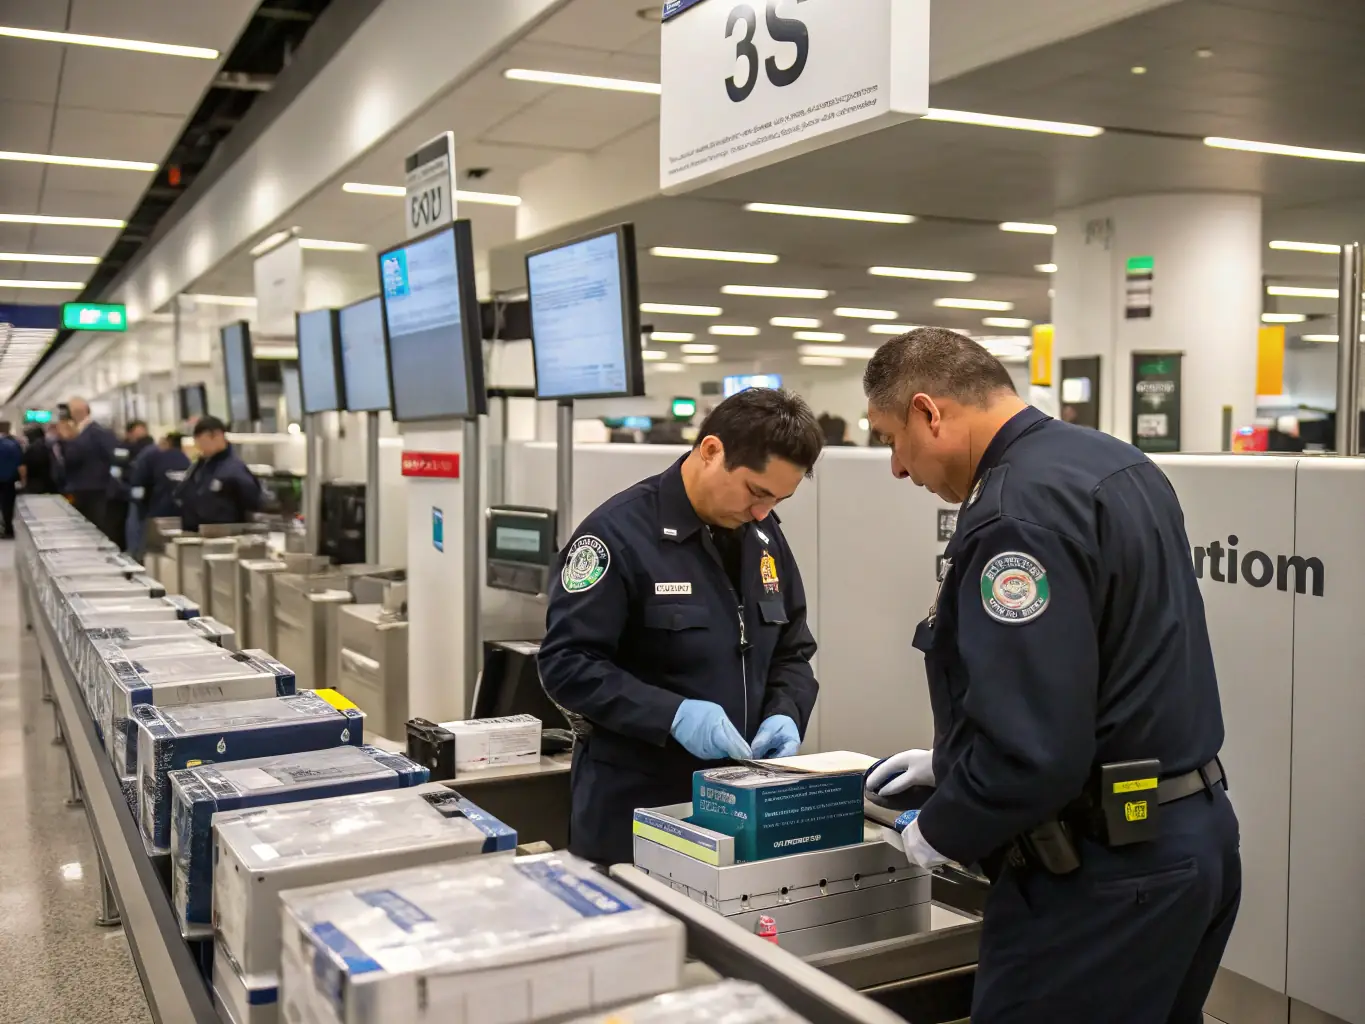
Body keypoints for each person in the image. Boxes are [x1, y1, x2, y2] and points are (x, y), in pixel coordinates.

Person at [860, 328, 1240, 1024]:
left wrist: (942, 827)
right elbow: (1100, 670)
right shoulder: (1111, 462)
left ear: (928, 412)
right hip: (1190, 839)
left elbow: (1034, 753)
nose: (895, 467)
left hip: (1100, 874)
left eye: (889, 438)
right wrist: (952, 758)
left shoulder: (1015, 515)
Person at [539, 388, 824, 865]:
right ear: (712, 451)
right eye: (757, 492)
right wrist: (672, 714)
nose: (763, 512)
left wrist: (787, 709)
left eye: (778, 500)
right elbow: (566, 664)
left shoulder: (763, 536)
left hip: (738, 805)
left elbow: (792, 649)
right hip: (635, 809)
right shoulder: (616, 536)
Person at [175, 416, 263, 531]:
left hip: (223, 538)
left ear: (217, 435)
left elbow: (253, 503)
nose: (199, 447)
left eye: (202, 441)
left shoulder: (234, 470)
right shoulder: (199, 466)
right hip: (195, 534)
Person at [55, 397, 117, 535]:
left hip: (94, 491)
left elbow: (74, 457)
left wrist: (67, 441)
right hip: (80, 490)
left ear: (79, 411)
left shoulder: (97, 433)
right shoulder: (80, 433)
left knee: (95, 531)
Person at [128, 432, 190, 555]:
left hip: (156, 512)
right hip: (181, 514)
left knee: (146, 545)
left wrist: (140, 505)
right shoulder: (187, 460)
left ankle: (137, 556)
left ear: (167, 443)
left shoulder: (152, 456)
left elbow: (138, 484)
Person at [110, 419, 154, 553]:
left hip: (146, 493)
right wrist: (128, 490)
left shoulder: (150, 447)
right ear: (129, 434)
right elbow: (116, 473)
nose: (141, 435)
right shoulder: (122, 449)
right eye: (137, 432)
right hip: (125, 494)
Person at [19, 425, 57, 495]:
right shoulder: (50, 446)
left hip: (34, 483)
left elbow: (23, 467)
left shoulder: (31, 448)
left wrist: (23, 482)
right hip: (50, 483)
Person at [0, 421, 21, 539]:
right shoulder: (14, 444)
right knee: (8, 506)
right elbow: (20, 463)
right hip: (9, 481)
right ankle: (8, 529)